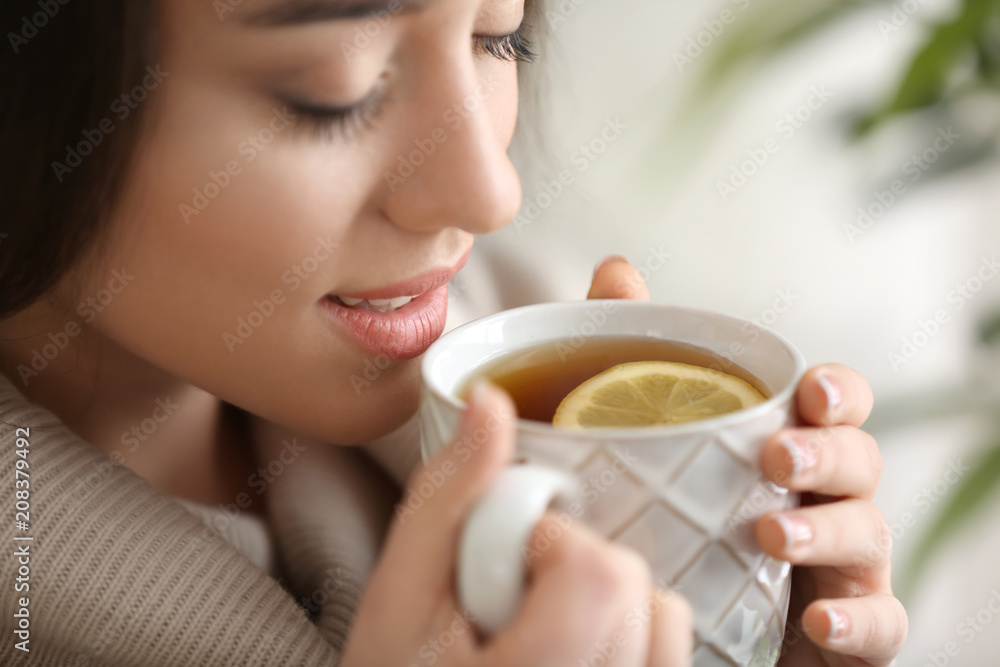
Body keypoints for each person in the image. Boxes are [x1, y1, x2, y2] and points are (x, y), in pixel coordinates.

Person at [0, 0, 906, 665]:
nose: (490, 191)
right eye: (335, 91)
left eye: (496, 36)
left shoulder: (529, 318)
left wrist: (735, 631)